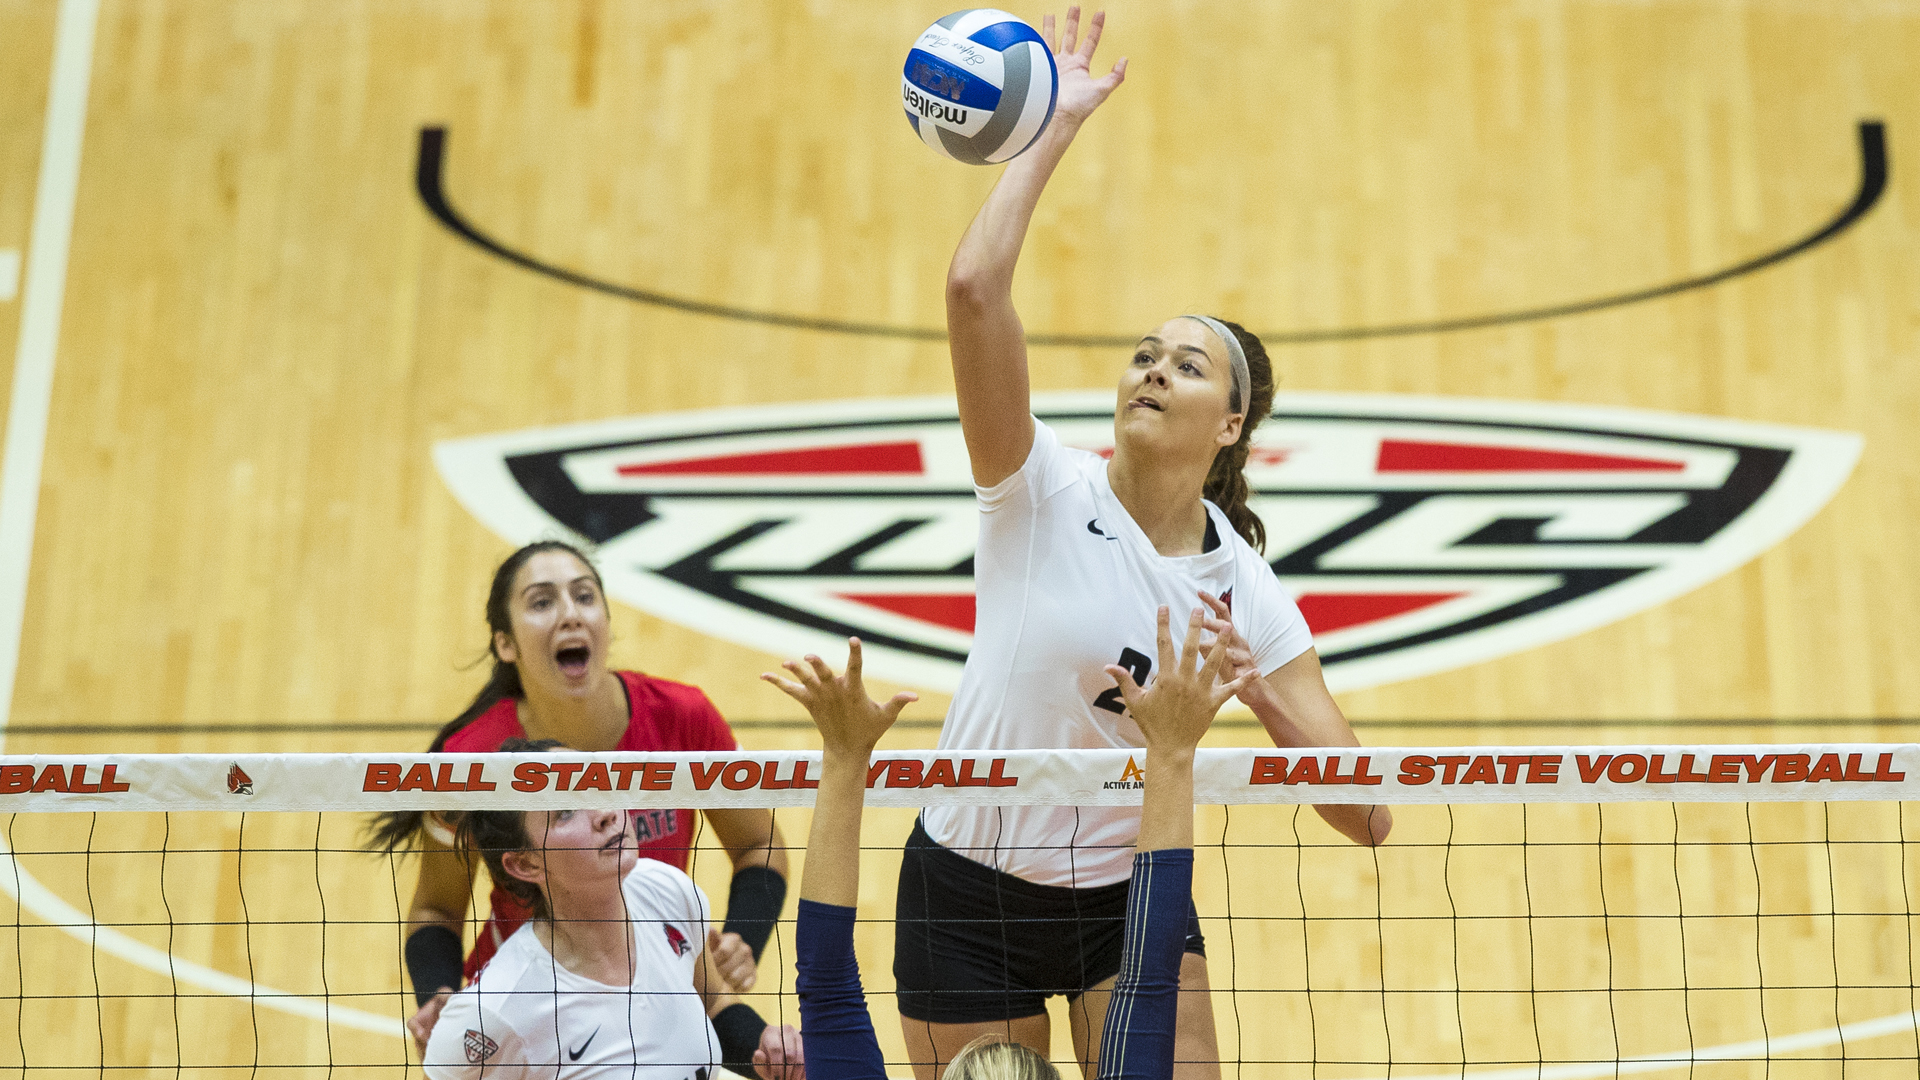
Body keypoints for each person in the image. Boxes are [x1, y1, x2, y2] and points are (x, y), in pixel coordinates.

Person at [902, 8, 1393, 1077]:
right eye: (1145, 354)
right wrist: (1049, 135)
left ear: (1230, 428)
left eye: (1189, 362)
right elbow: (973, 291)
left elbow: (1368, 816)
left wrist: (1256, 691)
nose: (1154, 368)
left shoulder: (1243, 593)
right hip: (964, 886)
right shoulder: (1033, 488)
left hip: (1129, 898)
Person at [770, 614, 1251, 1080]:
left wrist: (843, 757)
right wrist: (1171, 751)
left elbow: (824, 983)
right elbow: (1152, 973)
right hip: (971, 902)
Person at [366, 541, 790, 1049]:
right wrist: (438, 994)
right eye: (542, 602)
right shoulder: (475, 760)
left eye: (584, 596)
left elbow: (759, 845)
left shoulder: (683, 718)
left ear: (607, 622)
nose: (569, 614)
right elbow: (435, 910)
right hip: (525, 1012)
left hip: (651, 982)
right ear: (506, 644)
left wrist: (743, 937)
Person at [421, 738, 803, 1079]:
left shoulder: (665, 890)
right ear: (526, 864)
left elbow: (714, 1001)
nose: (603, 811)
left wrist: (764, 1048)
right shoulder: (498, 1009)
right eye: (566, 811)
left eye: (596, 781)